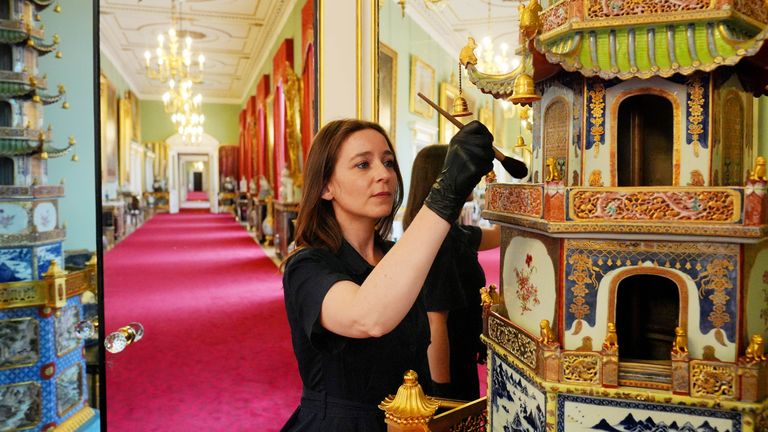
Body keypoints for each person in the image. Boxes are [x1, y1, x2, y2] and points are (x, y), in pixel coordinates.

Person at [281, 119, 494, 431]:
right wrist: (446, 192)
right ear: (326, 186)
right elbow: (368, 317)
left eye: (388, 162)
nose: (383, 174)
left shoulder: (396, 255)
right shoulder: (307, 266)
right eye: (363, 164)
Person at [403, 144, 500, 401]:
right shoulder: (439, 242)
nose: (470, 175)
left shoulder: (449, 232)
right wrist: (444, 395)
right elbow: (436, 322)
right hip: (448, 365)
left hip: (460, 352)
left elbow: (497, 236)